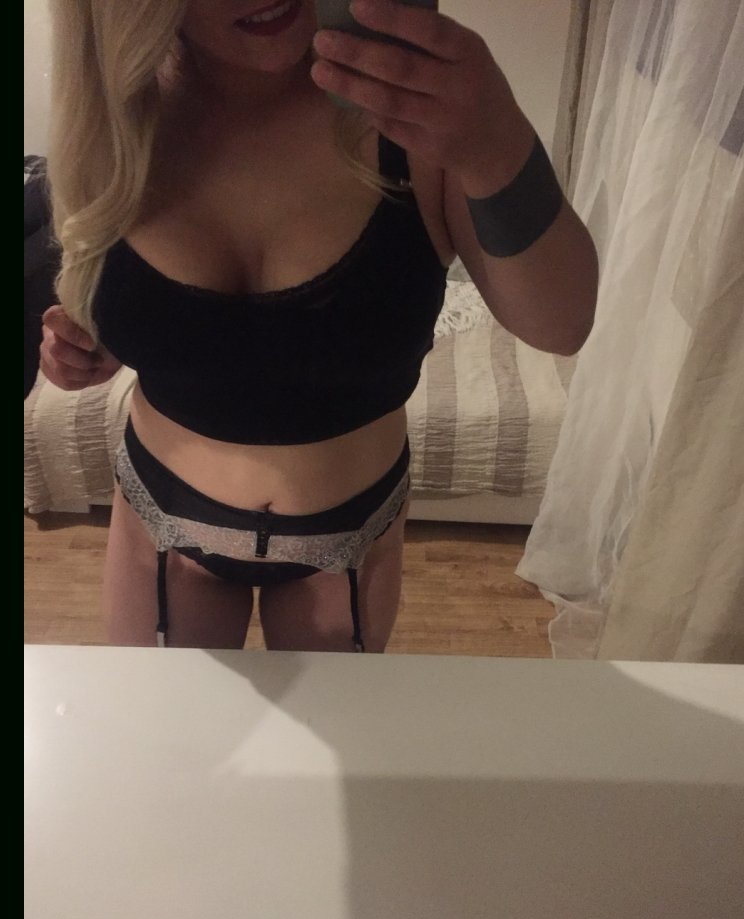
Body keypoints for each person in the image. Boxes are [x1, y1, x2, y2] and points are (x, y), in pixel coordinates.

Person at [38, 0, 599, 652]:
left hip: (346, 546)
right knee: (169, 724)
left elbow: (563, 325)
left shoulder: (414, 116)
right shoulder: (117, 119)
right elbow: (115, 304)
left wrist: (497, 143)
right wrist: (92, 340)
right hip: (162, 526)